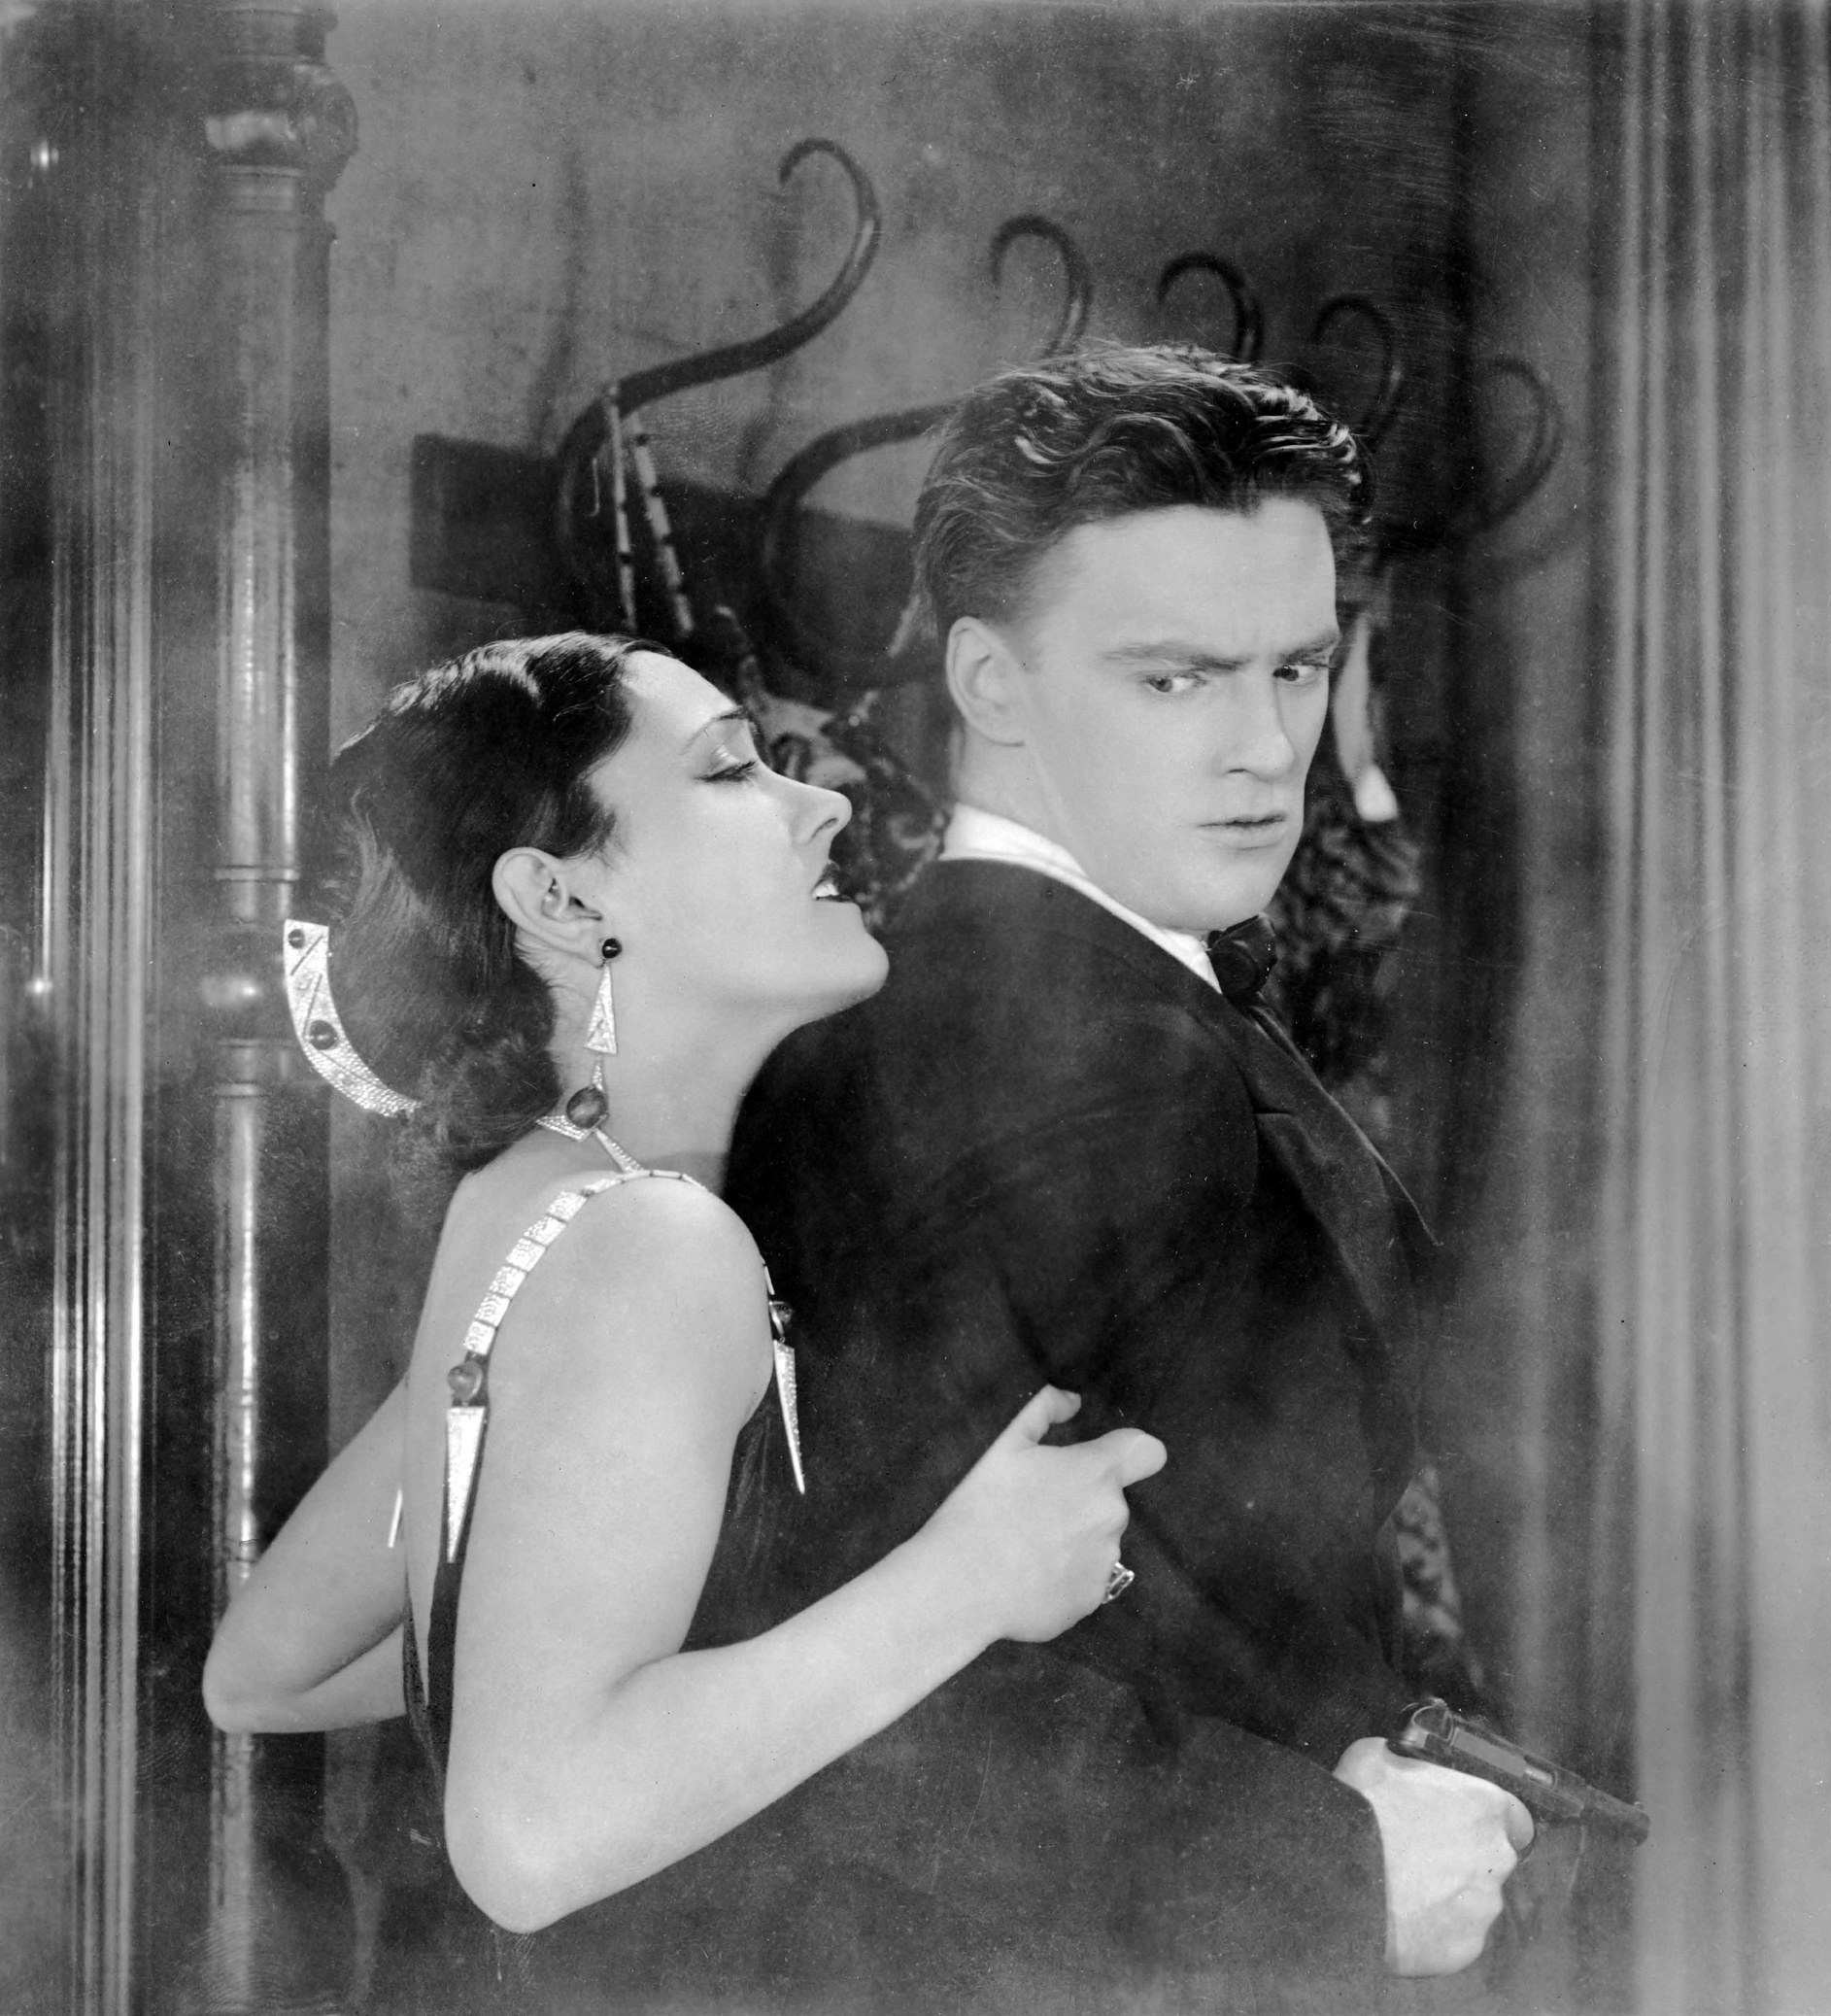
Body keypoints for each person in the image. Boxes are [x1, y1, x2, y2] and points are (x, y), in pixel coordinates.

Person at [726, 344, 1533, 2007]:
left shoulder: (1078, 1003)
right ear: (990, 682)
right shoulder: (1058, 1050)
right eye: (1175, 680)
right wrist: (1332, 1871)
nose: (1265, 749)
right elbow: (870, 1683)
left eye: (1296, 671)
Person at [200, 632, 1167, 2007]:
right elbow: (528, 1840)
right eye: (729, 772)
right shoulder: (648, 1245)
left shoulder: (531, 1206)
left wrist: (570, 1651)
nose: (822, 799)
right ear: (557, 895)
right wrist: (966, 1581)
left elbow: (268, 1674)